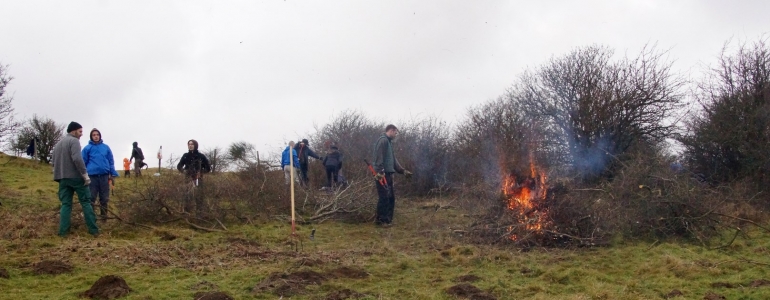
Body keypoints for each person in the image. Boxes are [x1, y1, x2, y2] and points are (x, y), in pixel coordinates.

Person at [52, 121, 99, 237]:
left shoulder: (58, 144)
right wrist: (84, 174)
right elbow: (77, 159)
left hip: (62, 178)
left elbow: (53, 161)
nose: (81, 134)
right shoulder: (74, 141)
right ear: (73, 131)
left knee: (66, 204)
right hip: (76, 178)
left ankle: (63, 232)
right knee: (86, 202)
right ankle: (94, 230)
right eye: (80, 131)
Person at [372, 124, 412, 226]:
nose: (396, 134)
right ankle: (380, 221)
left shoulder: (389, 143)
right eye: (395, 132)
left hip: (388, 174)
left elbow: (393, 160)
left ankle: (388, 220)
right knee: (384, 197)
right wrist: (380, 172)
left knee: (390, 198)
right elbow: (378, 157)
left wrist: (402, 171)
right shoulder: (383, 141)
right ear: (391, 130)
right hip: (382, 175)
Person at [81, 128, 120, 220]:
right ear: (91, 136)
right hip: (92, 177)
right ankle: (91, 218)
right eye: (94, 135)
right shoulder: (87, 148)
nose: (96, 136)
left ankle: (104, 218)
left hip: (104, 176)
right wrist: (83, 175)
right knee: (91, 198)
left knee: (104, 198)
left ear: (100, 136)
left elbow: (111, 161)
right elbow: (82, 162)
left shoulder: (106, 147)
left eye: (97, 134)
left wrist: (112, 173)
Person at [177, 139, 211, 214]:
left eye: (192, 144)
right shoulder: (185, 155)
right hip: (188, 178)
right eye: (189, 144)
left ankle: (199, 212)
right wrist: (184, 171)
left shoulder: (200, 156)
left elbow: (208, 168)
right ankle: (187, 212)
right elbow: (179, 166)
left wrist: (201, 172)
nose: (190, 145)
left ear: (195, 145)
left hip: (198, 178)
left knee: (199, 195)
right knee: (187, 195)